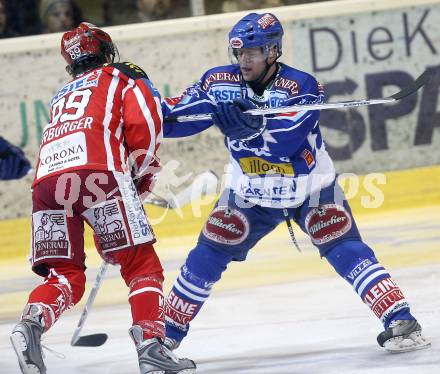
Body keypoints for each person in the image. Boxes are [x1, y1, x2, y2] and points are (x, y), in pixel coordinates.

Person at [161, 12, 431, 354]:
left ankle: (400, 319)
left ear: (273, 50)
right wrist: (138, 111)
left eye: (254, 52)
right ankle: (166, 333)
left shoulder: (301, 86)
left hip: (310, 190)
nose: (244, 59)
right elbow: (176, 118)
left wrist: (252, 127)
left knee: (343, 247)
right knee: (207, 254)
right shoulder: (218, 82)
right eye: (239, 52)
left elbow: (287, 141)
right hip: (249, 194)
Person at [10, 22, 196, 374]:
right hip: (98, 175)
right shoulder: (123, 74)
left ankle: (32, 323)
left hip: (47, 184)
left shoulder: (61, 95)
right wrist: (143, 174)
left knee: (64, 275)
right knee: (140, 264)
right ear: (107, 52)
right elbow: (146, 120)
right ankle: (152, 347)